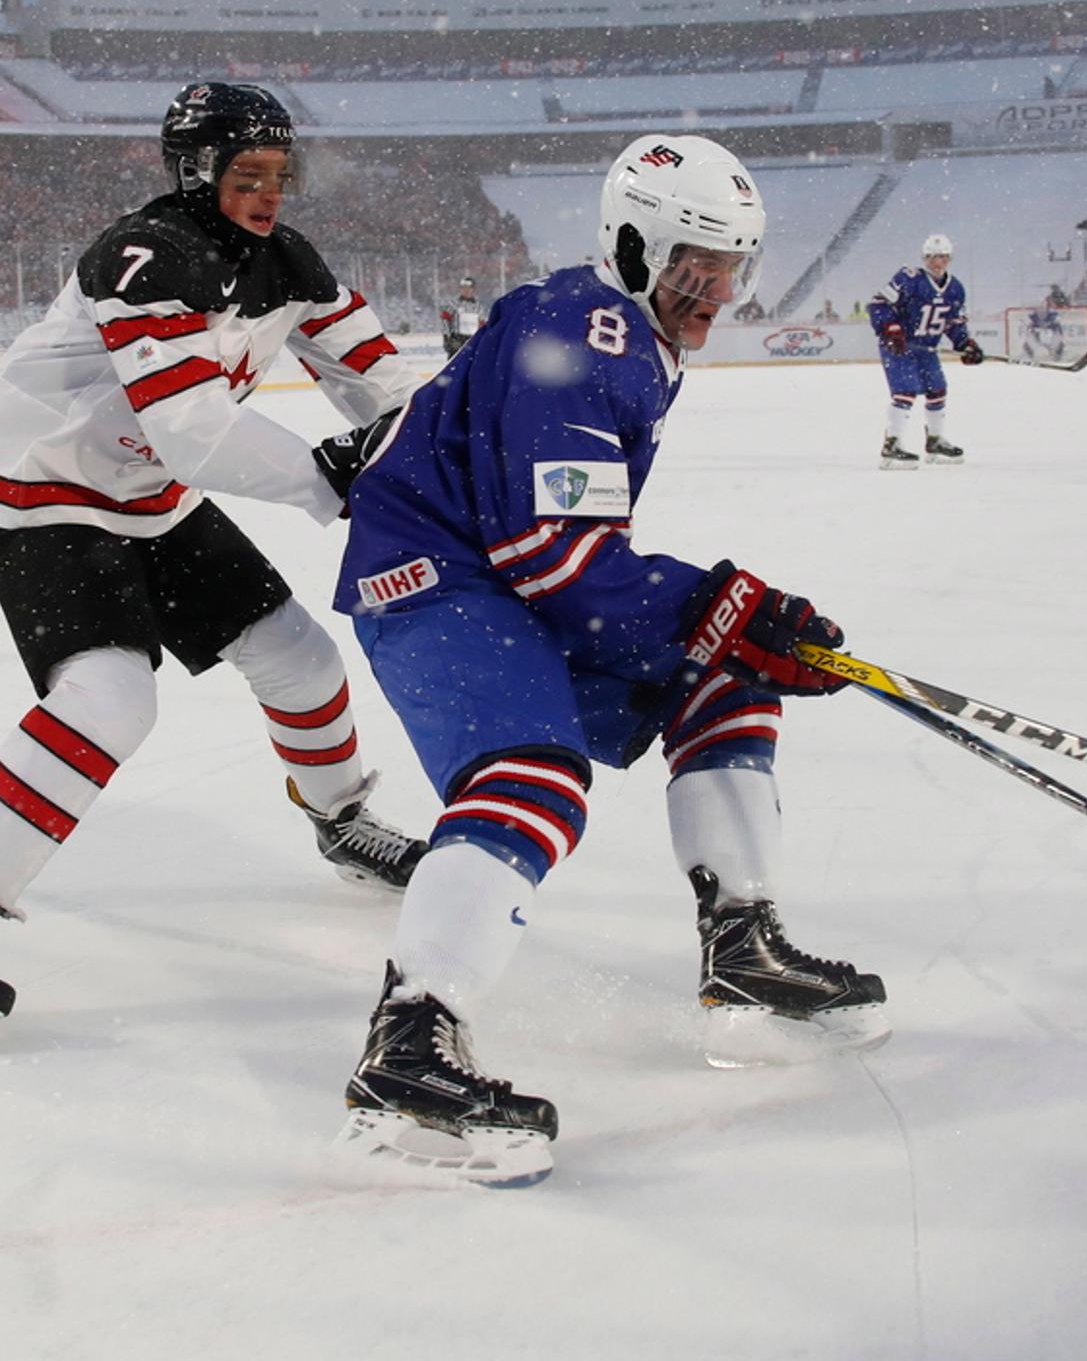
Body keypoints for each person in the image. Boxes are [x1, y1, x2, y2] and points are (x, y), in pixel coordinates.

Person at [327, 134, 875, 1188]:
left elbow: (560, 555)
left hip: (503, 573)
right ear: (630, 245)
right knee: (534, 773)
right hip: (437, 576)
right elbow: (554, 551)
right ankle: (408, 1044)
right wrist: (717, 601)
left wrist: (726, 626)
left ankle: (743, 945)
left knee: (728, 671)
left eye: (732, 271)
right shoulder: (582, 329)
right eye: (693, 268)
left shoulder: (629, 335)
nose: (714, 293)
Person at [0, 82, 427, 1050]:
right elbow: (189, 428)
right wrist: (332, 478)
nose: (267, 194)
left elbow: (383, 382)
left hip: (149, 498)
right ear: (193, 170)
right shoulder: (142, 256)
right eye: (246, 174)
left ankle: (340, 821)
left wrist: (435, 456)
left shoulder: (288, 258)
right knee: (110, 697)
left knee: (300, 657)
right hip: (42, 500)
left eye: (279, 175)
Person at [865, 232, 981, 467]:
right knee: (905, 390)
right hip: (899, 347)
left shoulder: (955, 288)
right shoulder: (909, 279)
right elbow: (878, 304)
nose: (938, 262)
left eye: (943, 257)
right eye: (933, 257)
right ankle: (892, 445)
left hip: (927, 348)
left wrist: (965, 344)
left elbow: (955, 323)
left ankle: (935, 441)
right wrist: (891, 328)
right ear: (925, 258)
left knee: (937, 389)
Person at [438, 275, 483, 358]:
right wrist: (447, 338)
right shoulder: (453, 304)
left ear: (473, 290)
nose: (466, 291)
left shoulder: (478, 307)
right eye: (464, 288)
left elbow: (482, 325)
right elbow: (444, 320)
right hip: (457, 340)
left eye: (469, 288)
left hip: (472, 341)